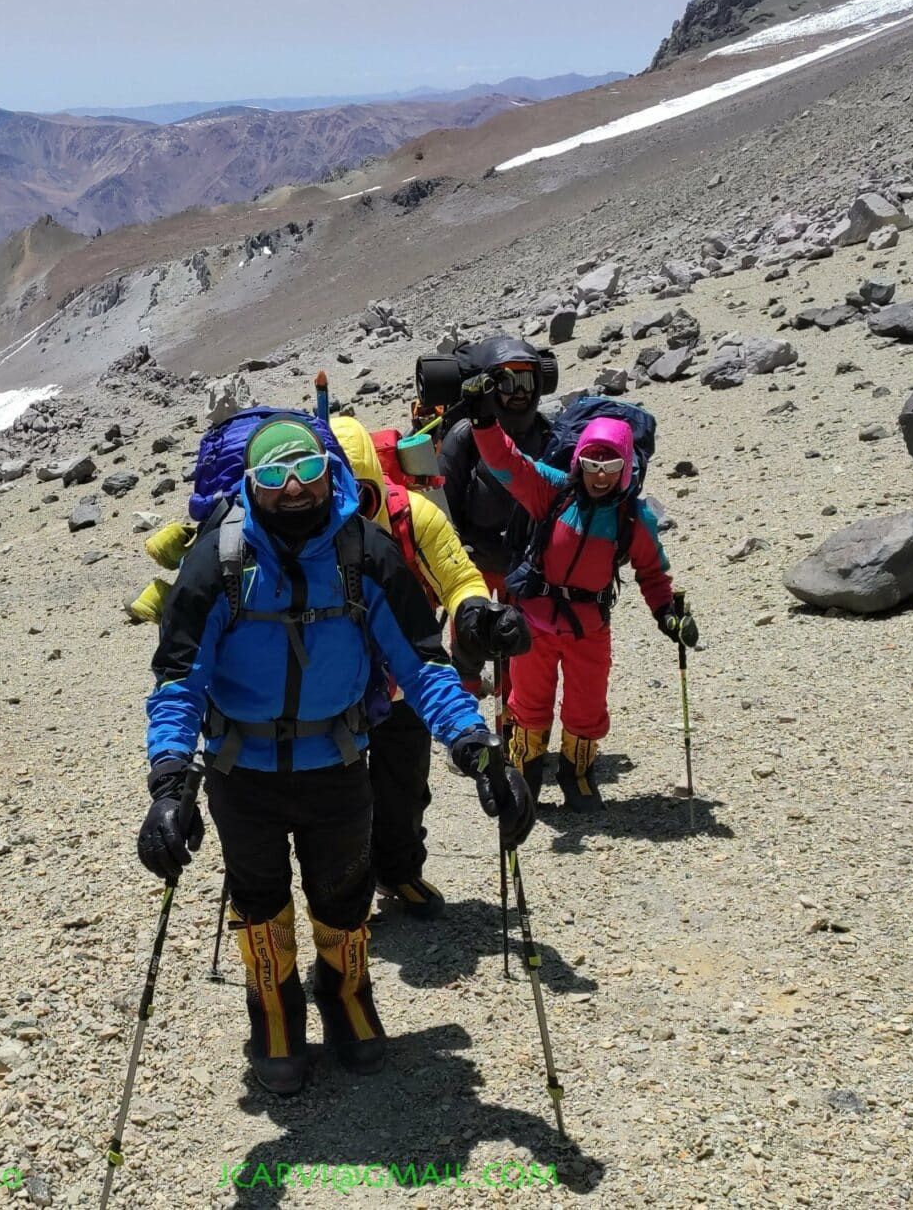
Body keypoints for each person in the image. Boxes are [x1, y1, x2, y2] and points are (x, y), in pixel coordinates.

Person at [136, 415, 532, 1095]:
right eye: (273, 477)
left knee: (343, 894)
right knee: (259, 899)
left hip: (340, 764)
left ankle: (346, 997)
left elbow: (422, 663)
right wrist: (171, 780)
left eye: (308, 472)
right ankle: (275, 1010)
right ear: (250, 486)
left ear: (331, 473)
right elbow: (180, 679)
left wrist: (476, 745)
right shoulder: (219, 564)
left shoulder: (366, 555)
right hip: (241, 772)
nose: (294, 491)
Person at [329, 416, 527, 920]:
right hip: (331, 687)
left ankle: (398, 871)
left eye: (363, 497)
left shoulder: (415, 517)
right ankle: (343, 893)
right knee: (337, 798)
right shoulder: (297, 529)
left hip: (407, 679)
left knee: (404, 786)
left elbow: (459, 576)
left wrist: (477, 613)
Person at [467, 400, 698, 809]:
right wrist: (485, 421)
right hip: (534, 622)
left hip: (589, 628)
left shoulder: (633, 519)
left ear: (627, 468)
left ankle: (578, 777)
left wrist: (668, 614)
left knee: (587, 706)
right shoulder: (552, 491)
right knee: (528, 703)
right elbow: (507, 463)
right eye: (592, 464)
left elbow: (653, 574)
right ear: (578, 461)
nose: (601, 475)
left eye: (611, 466)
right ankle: (526, 776)